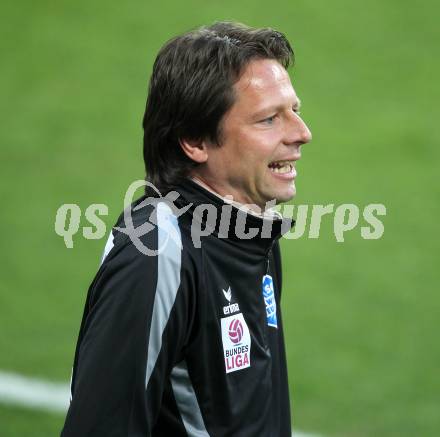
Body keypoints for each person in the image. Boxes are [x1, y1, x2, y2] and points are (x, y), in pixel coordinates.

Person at [61, 21, 312, 437]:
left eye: (295, 111)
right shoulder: (157, 254)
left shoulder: (253, 229)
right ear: (195, 140)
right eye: (269, 119)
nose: (302, 134)